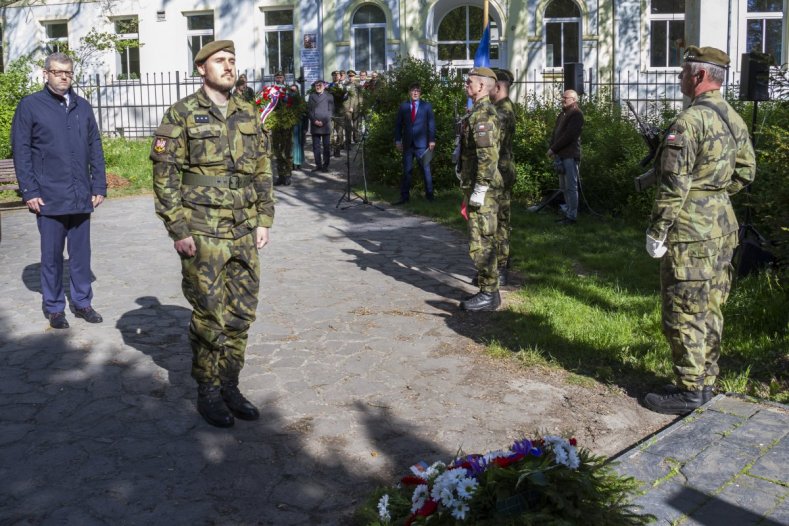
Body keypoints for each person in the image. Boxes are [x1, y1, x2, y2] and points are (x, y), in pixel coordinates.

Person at [150, 40, 275, 428]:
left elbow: (262, 169)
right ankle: (207, 390)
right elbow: (164, 175)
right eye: (220, 61)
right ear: (201, 68)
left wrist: (263, 220)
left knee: (241, 313)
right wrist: (177, 227)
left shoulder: (247, 112)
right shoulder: (183, 113)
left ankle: (230, 384)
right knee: (209, 315)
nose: (229, 66)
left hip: (242, 230)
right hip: (203, 232)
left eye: (232, 61)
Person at [642, 46, 755, 415]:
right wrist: (714, 195)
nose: (678, 78)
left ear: (698, 77)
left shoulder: (689, 122)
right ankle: (705, 381)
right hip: (722, 227)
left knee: (683, 310)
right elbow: (746, 172)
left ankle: (689, 390)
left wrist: (658, 230)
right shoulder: (733, 117)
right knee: (711, 306)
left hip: (689, 231)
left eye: (682, 72)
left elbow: (674, 185)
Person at [11, 52, 107, 329]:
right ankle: (54, 307)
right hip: (48, 196)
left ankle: (83, 302)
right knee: (52, 256)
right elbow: (22, 151)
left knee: (81, 255)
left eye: (68, 73)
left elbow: (95, 147)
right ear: (46, 74)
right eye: (57, 72)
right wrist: (29, 190)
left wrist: (98, 184)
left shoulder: (83, 107)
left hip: (80, 195)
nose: (63, 77)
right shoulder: (30, 106)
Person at [458, 67, 503, 311]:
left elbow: (488, 156)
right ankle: (488, 287)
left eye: (470, 82)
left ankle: (489, 293)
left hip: (482, 188)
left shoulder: (483, 115)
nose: (467, 85)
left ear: (482, 87)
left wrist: (480, 188)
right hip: (476, 184)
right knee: (482, 237)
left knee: (482, 240)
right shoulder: (477, 112)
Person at [491, 68, 517, 286]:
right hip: (500, 170)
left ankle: (501, 266)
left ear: (498, 87)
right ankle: (497, 263)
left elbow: (492, 139)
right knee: (498, 220)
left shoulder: (503, 110)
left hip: (501, 171)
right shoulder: (499, 107)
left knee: (500, 222)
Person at [393, 82, 436, 204]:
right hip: (407, 144)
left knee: (426, 170)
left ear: (420, 93)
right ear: (409, 92)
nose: (415, 92)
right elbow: (398, 125)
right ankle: (404, 197)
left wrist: (432, 140)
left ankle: (430, 196)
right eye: (413, 90)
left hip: (422, 144)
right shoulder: (404, 106)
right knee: (407, 171)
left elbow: (431, 124)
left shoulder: (426, 106)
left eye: (417, 90)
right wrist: (397, 140)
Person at [547, 89, 584, 225]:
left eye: (566, 98)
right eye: (562, 97)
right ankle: (567, 212)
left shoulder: (576, 114)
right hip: (560, 154)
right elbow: (556, 134)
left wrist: (553, 148)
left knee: (571, 186)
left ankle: (572, 216)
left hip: (570, 155)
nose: (563, 100)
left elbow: (569, 136)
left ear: (574, 100)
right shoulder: (563, 114)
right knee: (563, 186)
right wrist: (552, 147)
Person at [270, 70, 293, 186]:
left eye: (281, 77)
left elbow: (295, 104)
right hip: (276, 124)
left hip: (286, 124)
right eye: (277, 77)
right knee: (277, 150)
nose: (279, 79)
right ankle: (281, 175)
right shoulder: (271, 90)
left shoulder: (289, 89)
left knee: (287, 150)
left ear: (284, 78)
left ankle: (288, 175)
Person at [307, 79, 333, 172]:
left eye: (320, 85)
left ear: (324, 86)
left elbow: (330, 112)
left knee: (326, 147)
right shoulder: (312, 96)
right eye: (316, 86)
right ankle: (318, 165)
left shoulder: (329, 96)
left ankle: (325, 166)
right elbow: (309, 111)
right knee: (316, 147)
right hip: (315, 125)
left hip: (325, 125)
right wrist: (314, 121)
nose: (318, 87)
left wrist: (323, 121)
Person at [289, 84, 305, 170]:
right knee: (291, 144)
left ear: (298, 91)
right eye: (291, 91)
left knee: (298, 144)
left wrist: (305, 127)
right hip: (290, 124)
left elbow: (305, 114)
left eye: (295, 91)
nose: (293, 92)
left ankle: (298, 163)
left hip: (299, 125)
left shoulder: (301, 100)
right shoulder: (287, 100)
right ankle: (291, 163)